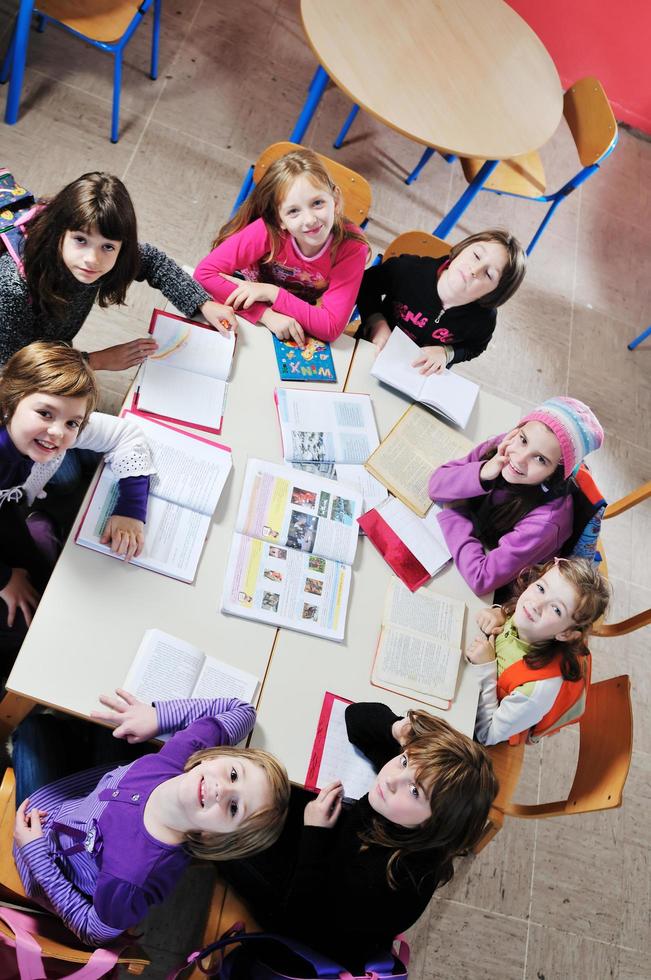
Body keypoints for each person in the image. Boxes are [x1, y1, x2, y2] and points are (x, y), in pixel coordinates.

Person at [216, 702, 497, 973]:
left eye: (414, 791)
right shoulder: (415, 782)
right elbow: (356, 718)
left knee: (224, 832)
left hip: (309, 919)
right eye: (403, 760)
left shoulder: (389, 881)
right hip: (333, 861)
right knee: (264, 784)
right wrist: (398, 730)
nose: (390, 779)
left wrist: (316, 833)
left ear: (436, 824)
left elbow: (302, 917)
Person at [12, 690, 290, 947]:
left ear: (215, 836)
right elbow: (242, 711)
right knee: (54, 726)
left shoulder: (130, 879)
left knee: (31, 731)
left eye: (233, 808)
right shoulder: (185, 755)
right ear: (214, 757)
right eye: (233, 774)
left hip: (45, 851)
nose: (223, 789)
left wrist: (36, 855)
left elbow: (92, 931)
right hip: (78, 802)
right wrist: (158, 717)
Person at [0, 341, 156, 661]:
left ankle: (37, 530)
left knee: (47, 587)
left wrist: (131, 508)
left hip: (8, 511)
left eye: (72, 422)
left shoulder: (48, 430)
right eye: (45, 413)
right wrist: (4, 579)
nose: (58, 432)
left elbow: (127, 435)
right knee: (23, 632)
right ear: (10, 401)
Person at [0, 171, 237, 370]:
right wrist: (97, 361)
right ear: (57, 233)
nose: (93, 259)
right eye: (81, 240)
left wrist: (202, 303)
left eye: (108, 246)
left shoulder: (108, 256)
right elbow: (16, 368)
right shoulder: (14, 287)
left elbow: (153, 262)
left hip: (46, 343)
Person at [428, 396, 604, 595]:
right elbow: (435, 484)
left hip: (512, 590)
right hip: (483, 537)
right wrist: (483, 472)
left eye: (540, 459)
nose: (519, 459)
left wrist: (455, 510)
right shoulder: (506, 446)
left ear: (556, 473)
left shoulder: (547, 521)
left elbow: (481, 579)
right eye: (523, 439)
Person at [194, 148, 369, 347]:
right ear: (280, 220)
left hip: (299, 313)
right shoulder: (270, 230)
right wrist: (264, 314)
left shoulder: (352, 247)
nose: (310, 220)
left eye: (318, 203)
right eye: (294, 211)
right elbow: (204, 275)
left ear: (335, 200)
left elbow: (330, 326)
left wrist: (272, 293)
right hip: (247, 298)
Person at [467, 557, 610, 746]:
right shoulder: (530, 619)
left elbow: (487, 735)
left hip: (483, 723)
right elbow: (514, 612)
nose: (537, 604)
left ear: (566, 634)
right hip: (475, 682)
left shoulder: (536, 691)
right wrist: (499, 612)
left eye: (557, 609)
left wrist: (486, 668)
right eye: (541, 588)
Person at [355, 229, 526, 375]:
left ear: (494, 293)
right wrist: (375, 322)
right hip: (369, 348)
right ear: (463, 248)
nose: (474, 270)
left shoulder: (483, 319)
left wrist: (447, 353)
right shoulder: (407, 270)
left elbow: (475, 347)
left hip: (418, 376)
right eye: (476, 255)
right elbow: (365, 285)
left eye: (489, 274)